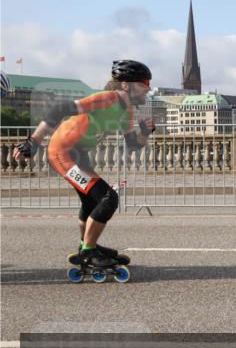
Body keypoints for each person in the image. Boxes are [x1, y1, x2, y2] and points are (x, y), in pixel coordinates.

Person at [13, 60, 155, 268]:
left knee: (92, 202)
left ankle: (87, 246)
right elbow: (60, 108)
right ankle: (88, 251)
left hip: (79, 154)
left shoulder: (128, 111)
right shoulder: (108, 98)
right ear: (125, 85)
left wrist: (144, 133)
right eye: (144, 83)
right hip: (62, 153)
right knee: (108, 198)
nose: (148, 88)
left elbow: (133, 144)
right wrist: (33, 141)